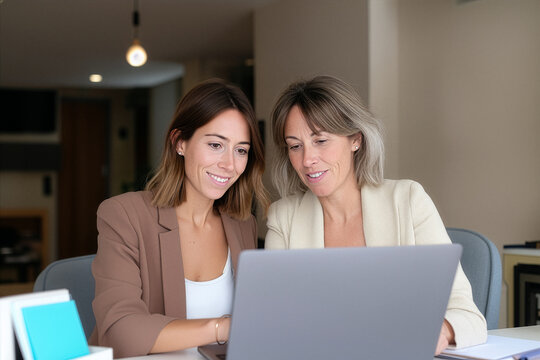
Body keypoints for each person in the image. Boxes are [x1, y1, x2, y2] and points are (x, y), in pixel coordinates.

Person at [265, 75, 487, 355]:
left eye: (320, 140)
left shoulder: (408, 201)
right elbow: (272, 322)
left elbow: (467, 315)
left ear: (355, 140)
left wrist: (440, 330)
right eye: (295, 146)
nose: (307, 159)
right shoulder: (283, 218)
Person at [89, 79, 269, 357]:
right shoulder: (124, 215)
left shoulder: (243, 225)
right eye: (215, 145)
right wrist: (223, 328)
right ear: (179, 142)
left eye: (241, 150)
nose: (229, 164)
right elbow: (120, 332)